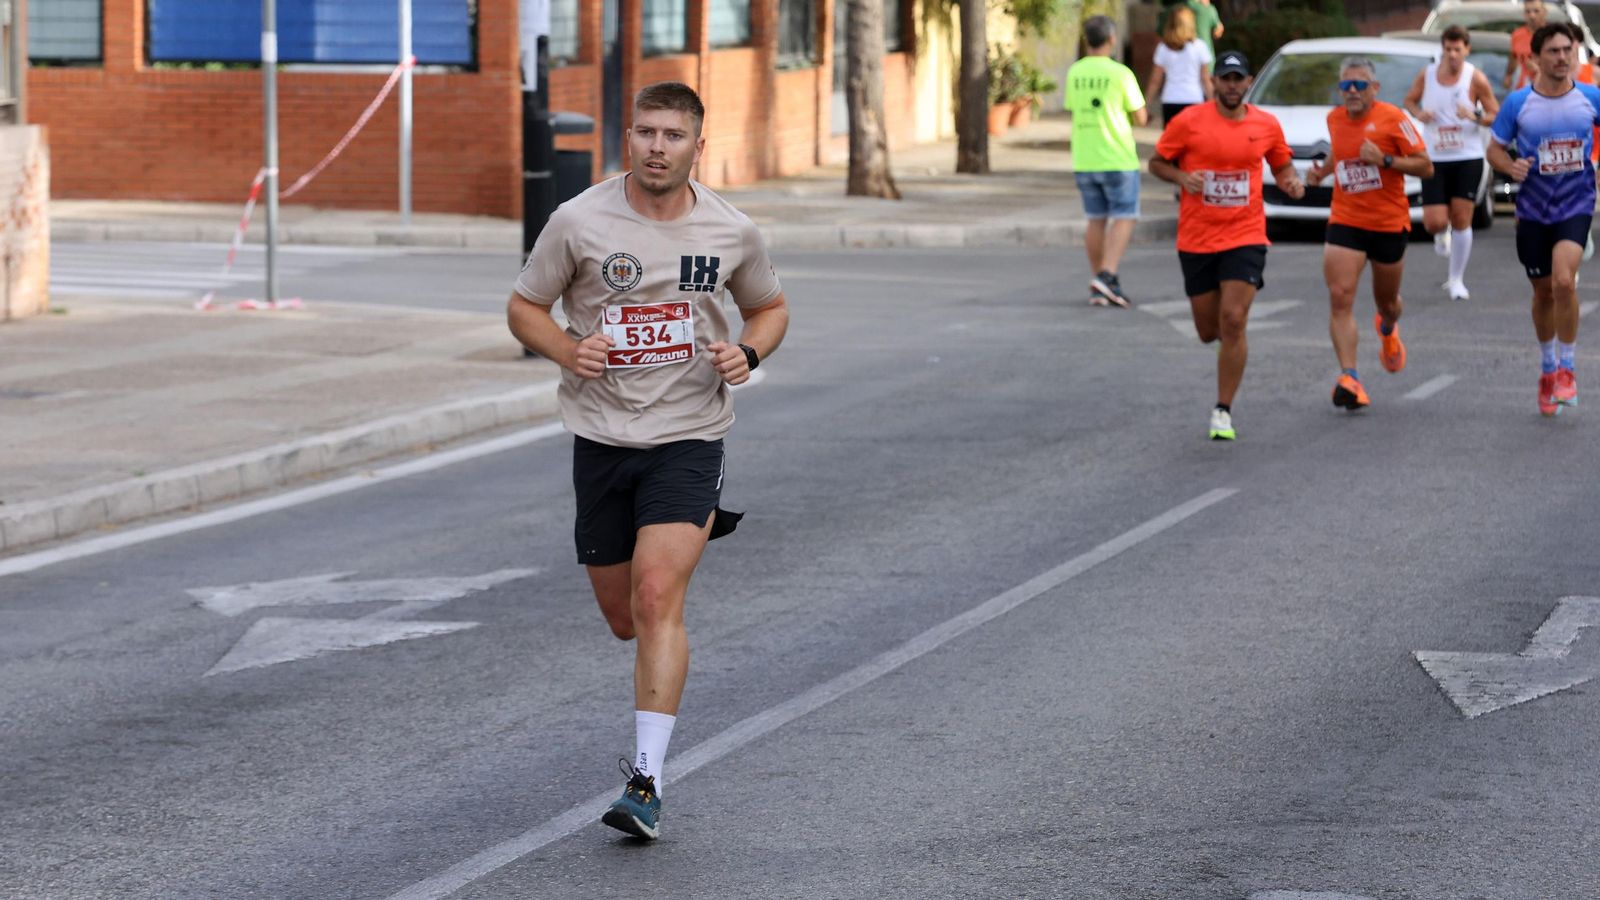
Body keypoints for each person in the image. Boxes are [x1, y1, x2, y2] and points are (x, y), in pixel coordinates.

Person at [506, 81, 790, 839]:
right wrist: (573, 348)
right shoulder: (580, 220)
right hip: (602, 440)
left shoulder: (730, 229)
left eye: (672, 135)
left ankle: (646, 781)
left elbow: (770, 305)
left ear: (701, 145)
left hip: (689, 435)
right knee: (624, 617)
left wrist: (748, 349)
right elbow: (524, 306)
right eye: (644, 132)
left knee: (659, 594)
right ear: (626, 137)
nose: (656, 147)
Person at [1149, 50, 1303, 441]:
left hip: (1246, 234)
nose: (1232, 86)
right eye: (1225, 79)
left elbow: (1281, 164)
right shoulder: (1189, 122)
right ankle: (1227, 350)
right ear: (1214, 82)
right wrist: (1183, 178)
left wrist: (1290, 182)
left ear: (1249, 82)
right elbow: (1157, 163)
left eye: (1239, 79)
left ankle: (1223, 410)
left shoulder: (1266, 124)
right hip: (1197, 237)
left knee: (1233, 320)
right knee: (1208, 331)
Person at [1305, 57, 1433, 411]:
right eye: (1345, 86)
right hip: (1346, 220)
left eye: (1359, 85)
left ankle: (1388, 330)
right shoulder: (1334, 119)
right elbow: (1340, 153)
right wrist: (1323, 173)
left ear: (1374, 89)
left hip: (1388, 224)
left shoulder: (1394, 119)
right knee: (1339, 296)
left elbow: (1426, 166)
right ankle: (1350, 378)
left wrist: (1386, 161)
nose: (1351, 92)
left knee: (1387, 304)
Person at [1487, 23, 1600, 415]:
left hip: (1576, 203)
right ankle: (1548, 367)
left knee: (1564, 281)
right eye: (1553, 51)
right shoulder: (1519, 104)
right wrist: (1510, 166)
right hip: (1533, 209)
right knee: (1543, 292)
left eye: (1567, 50)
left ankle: (1568, 369)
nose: (1562, 57)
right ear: (1535, 57)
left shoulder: (1591, 97)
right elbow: (1494, 150)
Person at [1403, 25, 1500, 301]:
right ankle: (1439, 233)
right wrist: (1420, 113)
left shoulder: (1475, 78)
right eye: (1448, 49)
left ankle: (1456, 279)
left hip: (1467, 156)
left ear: (1466, 50)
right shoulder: (1428, 75)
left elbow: (1495, 113)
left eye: (1458, 49)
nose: (1453, 55)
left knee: (1461, 218)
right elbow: (1409, 100)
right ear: (1442, 49)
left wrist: (1475, 116)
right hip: (1434, 157)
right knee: (1434, 222)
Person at [1067, 15, 1149, 308]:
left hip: (1085, 157)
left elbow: (1072, 108)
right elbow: (1140, 116)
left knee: (1096, 219)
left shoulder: (1075, 72)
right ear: (1112, 40)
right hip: (1117, 156)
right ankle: (1108, 274)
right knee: (1125, 215)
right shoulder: (1121, 73)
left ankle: (1098, 281)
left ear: (1087, 40)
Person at [1147, 5, 1214, 128]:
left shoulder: (1163, 48)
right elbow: (1205, 79)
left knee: (1171, 143)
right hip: (1194, 99)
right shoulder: (1200, 47)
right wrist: (1214, 104)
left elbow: (1155, 81)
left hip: (1170, 99)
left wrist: (1146, 105)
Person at [1507, 0, 1549, 92]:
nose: (1532, 16)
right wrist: (1508, 75)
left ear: (1545, 12)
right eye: (1528, 12)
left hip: (1547, 91)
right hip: (1522, 90)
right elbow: (1513, 58)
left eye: (1536, 11)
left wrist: (1539, 70)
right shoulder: (1517, 34)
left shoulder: (1553, 35)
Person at [1159, 0, 1224, 57]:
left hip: (1177, 58)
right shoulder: (1208, 9)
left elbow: (1160, 34)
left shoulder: (1172, 11)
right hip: (1205, 58)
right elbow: (1218, 31)